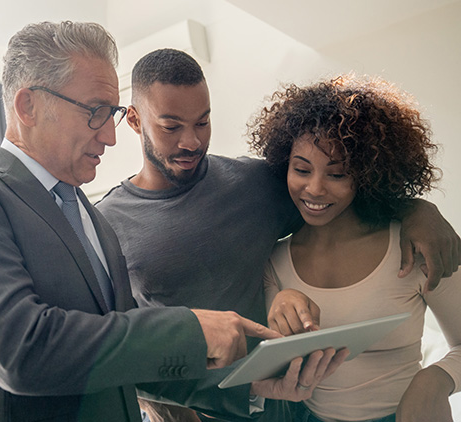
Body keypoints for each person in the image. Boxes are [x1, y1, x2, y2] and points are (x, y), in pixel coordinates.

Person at [0, 22, 338, 422]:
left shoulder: (90, 217)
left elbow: (128, 364)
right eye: (95, 111)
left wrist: (246, 387)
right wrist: (190, 329)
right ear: (29, 105)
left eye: (111, 113)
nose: (111, 136)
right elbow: (22, 351)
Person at [95, 49, 460, 421]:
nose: (191, 141)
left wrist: (417, 209)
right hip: (193, 411)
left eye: (202, 122)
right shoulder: (105, 225)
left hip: (289, 404)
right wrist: (164, 406)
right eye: (171, 127)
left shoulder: (256, 183)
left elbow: (339, 192)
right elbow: (115, 348)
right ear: (136, 121)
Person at [248, 74, 461, 422]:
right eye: (302, 169)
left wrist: (434, 381)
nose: (314, 189)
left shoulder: (415, 247)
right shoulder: (274, 259)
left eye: (337, 174)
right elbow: (269, 366)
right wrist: (279, 304)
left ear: (367, 175)